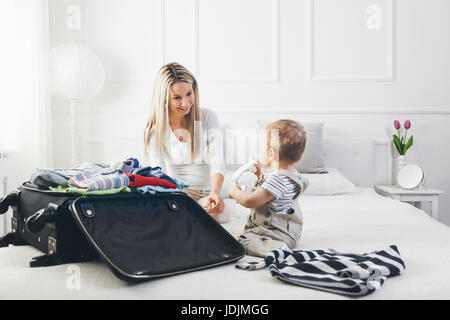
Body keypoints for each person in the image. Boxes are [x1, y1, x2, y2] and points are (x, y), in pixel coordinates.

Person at [144, 62, 226, 217]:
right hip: (179, 194)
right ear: (164, 99)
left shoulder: (207, 117)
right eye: (177, 97)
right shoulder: (155, 132)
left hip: (209, 192)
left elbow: (217, 160)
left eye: (189, 93)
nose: (185, 103)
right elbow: (159, 174)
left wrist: (215, 192)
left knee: (216, 216)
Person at [228, 119, 309, 257]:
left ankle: (276, 250)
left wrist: (234, 191)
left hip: (274, 234)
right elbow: (271, 192)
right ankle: (278, 246)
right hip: (290, 232)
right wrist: (260, 174)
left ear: (271, 153)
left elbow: (250, 201)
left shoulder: (276, 180)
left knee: (241, 242)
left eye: (262, 148)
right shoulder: (292, 175)